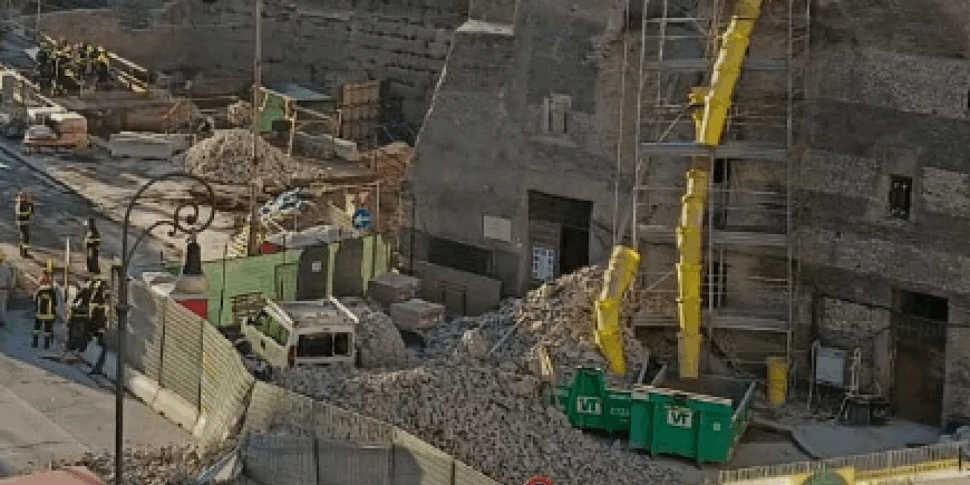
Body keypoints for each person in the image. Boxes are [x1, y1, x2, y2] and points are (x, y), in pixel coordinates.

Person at [62, 282, 92, 361]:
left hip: (77, 319)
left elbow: (73, 306)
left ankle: (72, 348)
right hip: (82, 320)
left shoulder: (79, 299)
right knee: (80, 335)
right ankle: (77, 349)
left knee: (74, 334)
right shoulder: (87, 298)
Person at [87, 278, 109, 376]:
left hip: (98, 324)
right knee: (98, 344)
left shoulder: (97, 296)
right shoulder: (98, 297)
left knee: (98, 344)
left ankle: (96, 367)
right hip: (98, 324)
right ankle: (96, 367)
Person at [32, 274, 58, 349]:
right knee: (47, 330)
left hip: (39, 314)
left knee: (36, 329)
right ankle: (46, 345)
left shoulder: (39, 292)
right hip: (49, 315)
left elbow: (35, 301)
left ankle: (35, 343)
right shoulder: (52, 292)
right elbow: (55, 303)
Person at [15, 190, 33, 258]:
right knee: (24, 238)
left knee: (25, 238)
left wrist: (30, 206)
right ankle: (23, 253)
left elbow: (31, 213)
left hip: (25, 222)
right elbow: (21, 214)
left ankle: (24, 252)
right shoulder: (20, 205)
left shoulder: (25, 204)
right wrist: (29, 211)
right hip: (22, 223)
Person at [0, 250, 14, 327]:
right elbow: (10, 279)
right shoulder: (6, 269)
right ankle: (2, 321)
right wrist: (11, 287)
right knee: (2, 306)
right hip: (4, 289)